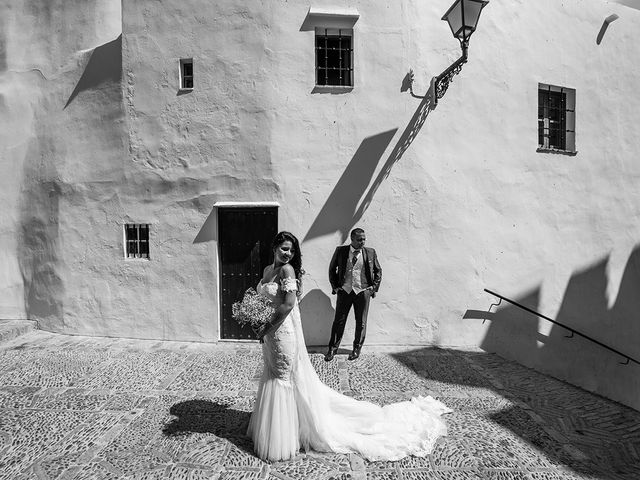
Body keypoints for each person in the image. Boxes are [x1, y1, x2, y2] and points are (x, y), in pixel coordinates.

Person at [247, 231, 451, 462]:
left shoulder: (287, 270)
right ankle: (281, 424)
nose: (288, 254)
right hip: (270, 335)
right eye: (285, 248)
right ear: (274, 247)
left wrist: (265, 327)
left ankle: (280, 439)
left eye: (292, 250)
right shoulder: (267, 270)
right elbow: (265, 299)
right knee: (273, 375)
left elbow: (288, 305)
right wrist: (255, 318)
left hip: (283, 333)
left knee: (282, 378)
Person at [325, 228, 381, 362]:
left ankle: (356, 349)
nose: (362, 242)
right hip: (345, 291)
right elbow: (332, 269)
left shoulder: (370, 252)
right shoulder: (341, 251)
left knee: (361, 322)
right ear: (352, 239)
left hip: (363, 292)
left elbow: (378, 271)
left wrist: (372, 289)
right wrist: (336, 287)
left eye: (364, 239)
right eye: (359, 239)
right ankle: (332, 349)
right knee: (339, 321)